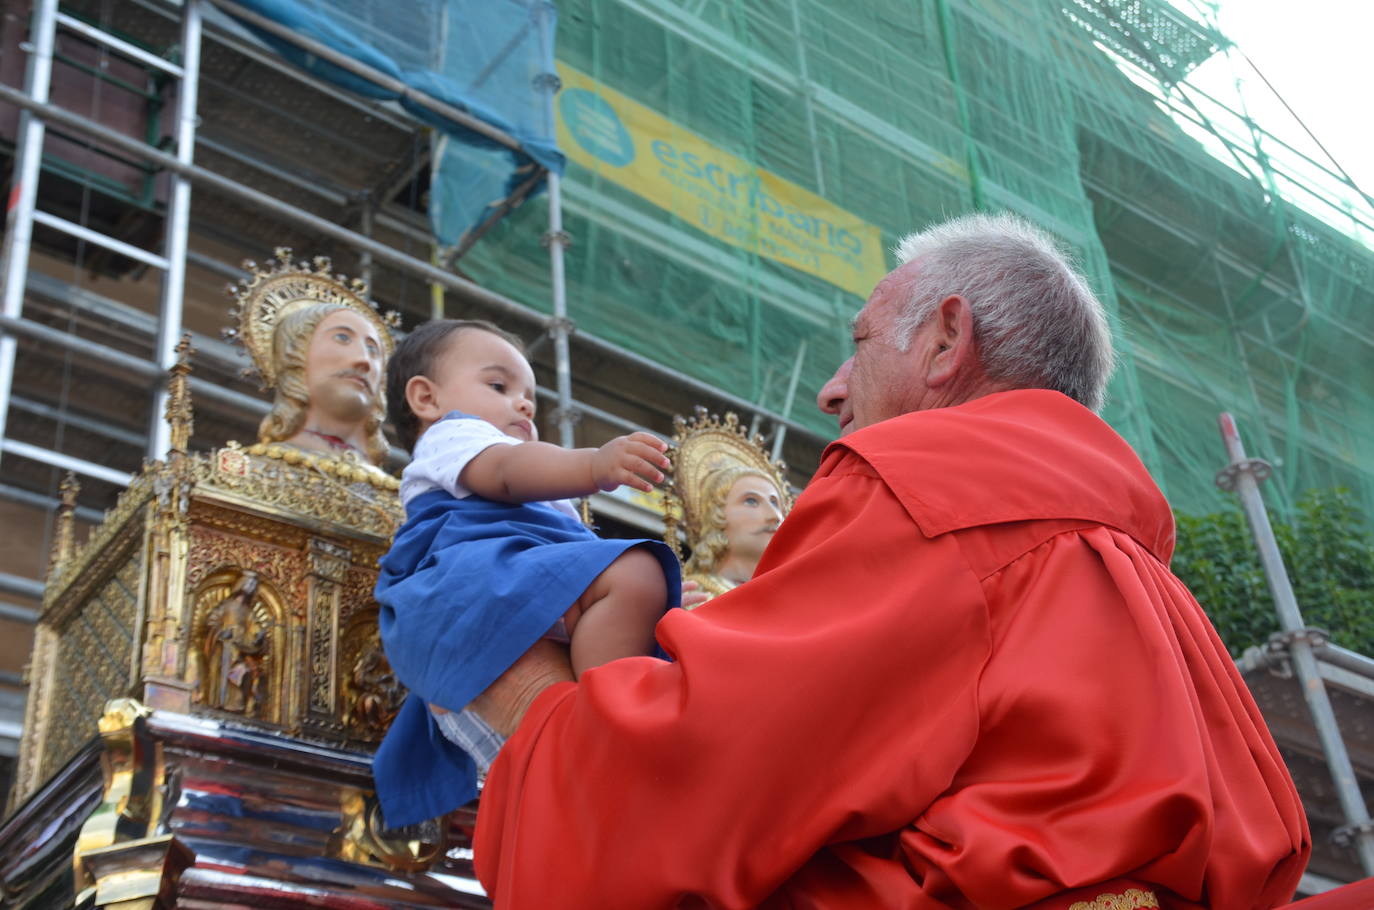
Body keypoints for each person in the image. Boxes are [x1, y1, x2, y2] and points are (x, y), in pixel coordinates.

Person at [463, 213, 1310, 908]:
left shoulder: (933, 489)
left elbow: (699, 775)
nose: (832, 388)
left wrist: (529, 697)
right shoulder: (1141, 570)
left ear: (947, 341)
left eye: (860, 342)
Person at [371, 319, 681, 828]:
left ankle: (597, 728)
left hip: (513, 582)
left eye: (529, 396)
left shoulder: (536, 482)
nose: (524, 404)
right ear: (426, 399)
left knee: (646, 589)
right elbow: (507, 473)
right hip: (470, 580)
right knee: (639, 570)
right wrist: (595, 466)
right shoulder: (456, 436)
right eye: (499, 386)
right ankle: (605, 729)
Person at [665, 410, 792, 601]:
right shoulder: (694, 597)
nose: (774, 516)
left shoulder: (785, 605)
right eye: (751, 501)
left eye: (776, 503)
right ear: (715, 515)